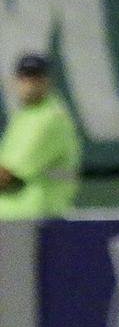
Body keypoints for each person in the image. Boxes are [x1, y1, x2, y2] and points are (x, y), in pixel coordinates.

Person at [0, 54, 82, 220]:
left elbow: (7, 176)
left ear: (48, 81)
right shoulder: (24, 116)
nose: (30, 83)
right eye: (25, 77)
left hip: (34, 221)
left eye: (36, 77)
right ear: (15, 81)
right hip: (14, 219)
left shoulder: (51, 118)